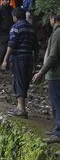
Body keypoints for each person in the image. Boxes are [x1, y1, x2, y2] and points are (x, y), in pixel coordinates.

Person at [2, 8, 38, 118]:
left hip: (18, 58)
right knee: (24, 81)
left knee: (18, 80)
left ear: (15, 17)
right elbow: (35, 46)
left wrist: (5, 59)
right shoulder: (31, 28)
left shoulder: (16, 27)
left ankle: (21, 108)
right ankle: (20, 106)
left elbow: (12, 44)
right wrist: (35, 63)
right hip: (29, 58)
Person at [33, 14, 60, 143]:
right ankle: (57, 128)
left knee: (57, 103)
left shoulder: (57, 33)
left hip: (56, 74)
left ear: (53, 19)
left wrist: (41, 72)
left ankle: (59, 132)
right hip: (55, 74)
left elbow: (53, 56)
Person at [0, 0, 14, 65]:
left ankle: (8, 63)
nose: (8, 1)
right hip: (2, 32)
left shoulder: (11, 9)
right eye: (6, 0)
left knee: (10, 47)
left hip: (10, 31)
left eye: (8, 0)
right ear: (2, 1)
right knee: (2, 49)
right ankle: (0, 62)